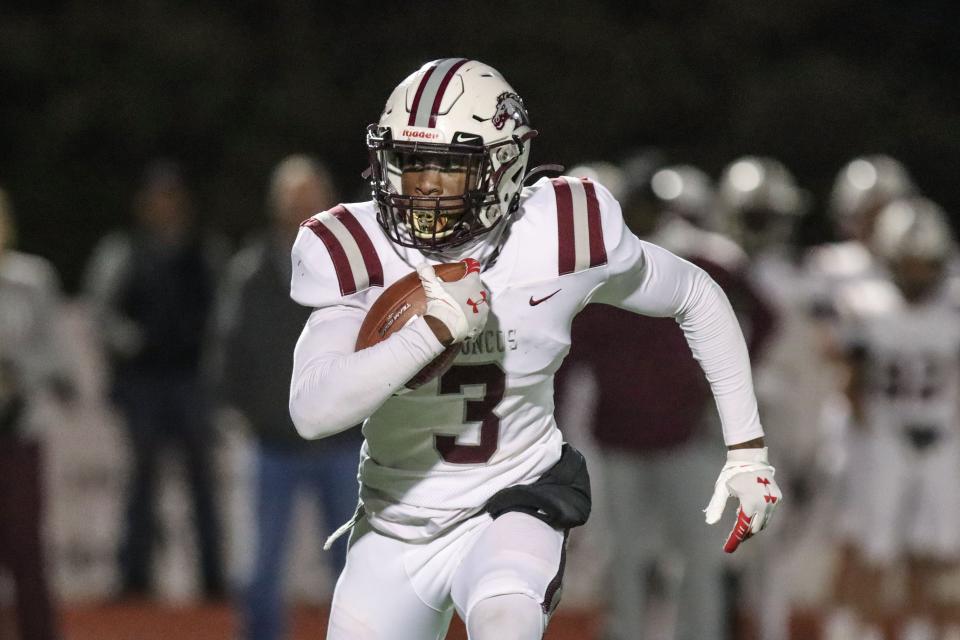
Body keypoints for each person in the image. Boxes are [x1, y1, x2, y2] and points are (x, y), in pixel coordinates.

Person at [287, 59, 783, 640]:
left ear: (505, 165)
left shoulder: (560, 233)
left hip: (512, 505)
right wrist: (430, 333)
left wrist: (747, 451)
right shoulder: (356, 246)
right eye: (409, 161)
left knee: (507, 621)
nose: (423, 184)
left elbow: (697, 294)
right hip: (394, 522)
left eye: (449, 166)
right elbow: (312, 410)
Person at [558, 159, 777, 640]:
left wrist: (723, 377)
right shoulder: (597, 267)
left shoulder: (702, 257)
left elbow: (764, 314)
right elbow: (565, 352)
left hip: (684, 435)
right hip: (618, 438)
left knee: (699, 555)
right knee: (624, 557)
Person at [214, 155, 362, 640]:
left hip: (342, 440)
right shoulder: (251, 270)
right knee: (260, 567)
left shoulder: (358, 265)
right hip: (273, 440)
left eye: (310, 198)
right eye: (292, 199)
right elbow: (227, 347)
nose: (301, 209)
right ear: (275, 206)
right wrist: (246, 411)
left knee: (358, 564)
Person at [84, 160, 225, 599]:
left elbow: (224, 314)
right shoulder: (122, 249)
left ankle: (213, 579)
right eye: (155, 197)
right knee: (141, 480)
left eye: (171, 196)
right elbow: (101, 310)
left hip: (188, 379)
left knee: (202, 479)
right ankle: (134, 578)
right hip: (143, 381)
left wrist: (208, 363)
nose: (163, 205)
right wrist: (131, 342)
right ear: (143, 204)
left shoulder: (206, 250)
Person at [839, 198, 960, 640]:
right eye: (907, 264)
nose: (916, 275)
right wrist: (867, 435)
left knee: (942, 550)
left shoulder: (952, 303)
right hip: (885, 435)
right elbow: (851, 381)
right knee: (876, 550)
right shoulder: (865, 302)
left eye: (924, 265)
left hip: (942, 435)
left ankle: (933, 631)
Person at [0, 186, 70, 640]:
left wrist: (15, 374)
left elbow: (56, 358)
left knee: (25, 548)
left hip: (20, 432)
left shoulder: (33, 279)